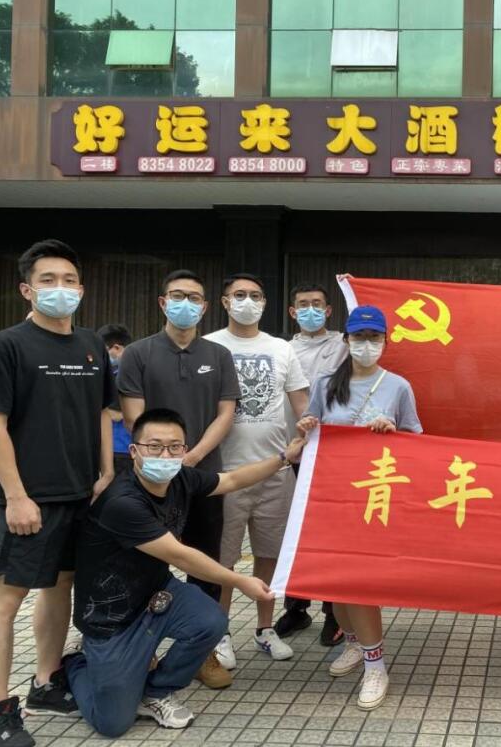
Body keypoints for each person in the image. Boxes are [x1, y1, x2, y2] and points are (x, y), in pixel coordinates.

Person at [65, 408, 307, 738]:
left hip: (156, 596)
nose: (165, 455)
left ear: (184, 449)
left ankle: (156, 691)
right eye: (154, 446)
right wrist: (240, 581)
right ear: (134, 451)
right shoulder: (122, 502)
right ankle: (76, 661)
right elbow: (181, 557)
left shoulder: (180, 479)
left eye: (174, 447)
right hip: (111, 619)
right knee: (113, 723)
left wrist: (283, 457)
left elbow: (232, 480)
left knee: (211, 620)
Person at [0, 240, 115, 747]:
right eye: (48, 280)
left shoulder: (91, 345)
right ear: (27, 290)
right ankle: (1, 710)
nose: (60, 289)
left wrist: (106, 471)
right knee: (6, 601)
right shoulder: (9, 345)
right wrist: (16, 495)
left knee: (60, 585)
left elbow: (102, 413)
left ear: (81, 290)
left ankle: (46, 682)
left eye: (69, 280)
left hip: (81, 494)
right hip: (29, 497)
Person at [116, 269, 240, 689]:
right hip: (150, 479)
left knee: (205, 564)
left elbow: (226, 413)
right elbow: (134, 416)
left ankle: (202, 653)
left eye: (194, 297)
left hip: (203, 477)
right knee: (144, 564)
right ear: (163, 302)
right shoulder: (138, 353)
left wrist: (194, 457)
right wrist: (164, 456)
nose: (185, 303)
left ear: (205, 307)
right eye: (177, 295)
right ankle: (141, 650)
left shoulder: (218, 355)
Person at [297, 305, 422, 711]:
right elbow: (311, 426)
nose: (366, 345)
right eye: (359, 337)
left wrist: (393, 432)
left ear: (385, 341)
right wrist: (306, 428)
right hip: (331, 494)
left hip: (373, 497)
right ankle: (352, 643)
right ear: (347, 340)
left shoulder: (398, 386)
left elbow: (417, 441)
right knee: (336, 579)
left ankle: (375, 665)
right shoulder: (325, 383)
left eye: (374, 338)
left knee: (360, 581)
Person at [205, 274, 310, 669]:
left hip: (276, 469)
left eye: (255, 296)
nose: (247, 301)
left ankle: (265, 629)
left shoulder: (282, 348)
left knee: (269, 554)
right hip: (226, 473)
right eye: (239, 295)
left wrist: (310, 435)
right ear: (224, 301)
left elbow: (301, 403)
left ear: (265, 303)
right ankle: (220, 633)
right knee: (223, 559)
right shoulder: (210, 346)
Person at [274, 281, 349, 646]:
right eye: (303, 304)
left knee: (331, 535)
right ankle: (296, 606)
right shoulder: (282, 349)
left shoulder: (343, 345)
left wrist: (353, 289)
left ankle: (334, 613)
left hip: (333, 455)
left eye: (317, 304)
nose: (310, 310)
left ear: (329, 310)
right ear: (292, 312)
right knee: (295, 533)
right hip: (293, 452)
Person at [97, 324, 134, 475]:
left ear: (116, 348)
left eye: (102, 351)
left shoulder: (124, 375)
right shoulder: (113, 372)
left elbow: (116, 414)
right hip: (118, 447)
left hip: (120, 448)